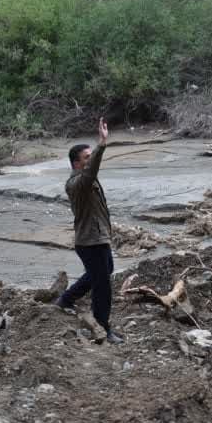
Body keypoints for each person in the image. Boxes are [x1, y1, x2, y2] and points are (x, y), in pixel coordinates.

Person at [53, 117, 124, 344]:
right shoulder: (76, 184)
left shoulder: (86, 180)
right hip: (89, 242)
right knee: (103, 287)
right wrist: (102, 145)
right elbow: (91, 172)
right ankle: (103, 327)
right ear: (76, 163)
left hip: (98, 237)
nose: (90, 159)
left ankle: (66, 299)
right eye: (87, 157)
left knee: (103, 271)